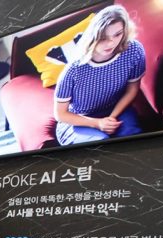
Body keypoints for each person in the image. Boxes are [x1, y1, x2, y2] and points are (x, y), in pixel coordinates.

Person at [54, 5, 145, 146]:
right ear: (93, 36)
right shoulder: (74, 69)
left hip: (117, 109)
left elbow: (132, 89)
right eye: (103, 38)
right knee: (100, 145)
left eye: (117, 34)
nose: (111, 43)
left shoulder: (134, 50)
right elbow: (60, 114)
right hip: (78, 119)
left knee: (133, 138)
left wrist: (111, 118)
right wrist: (97, 123)